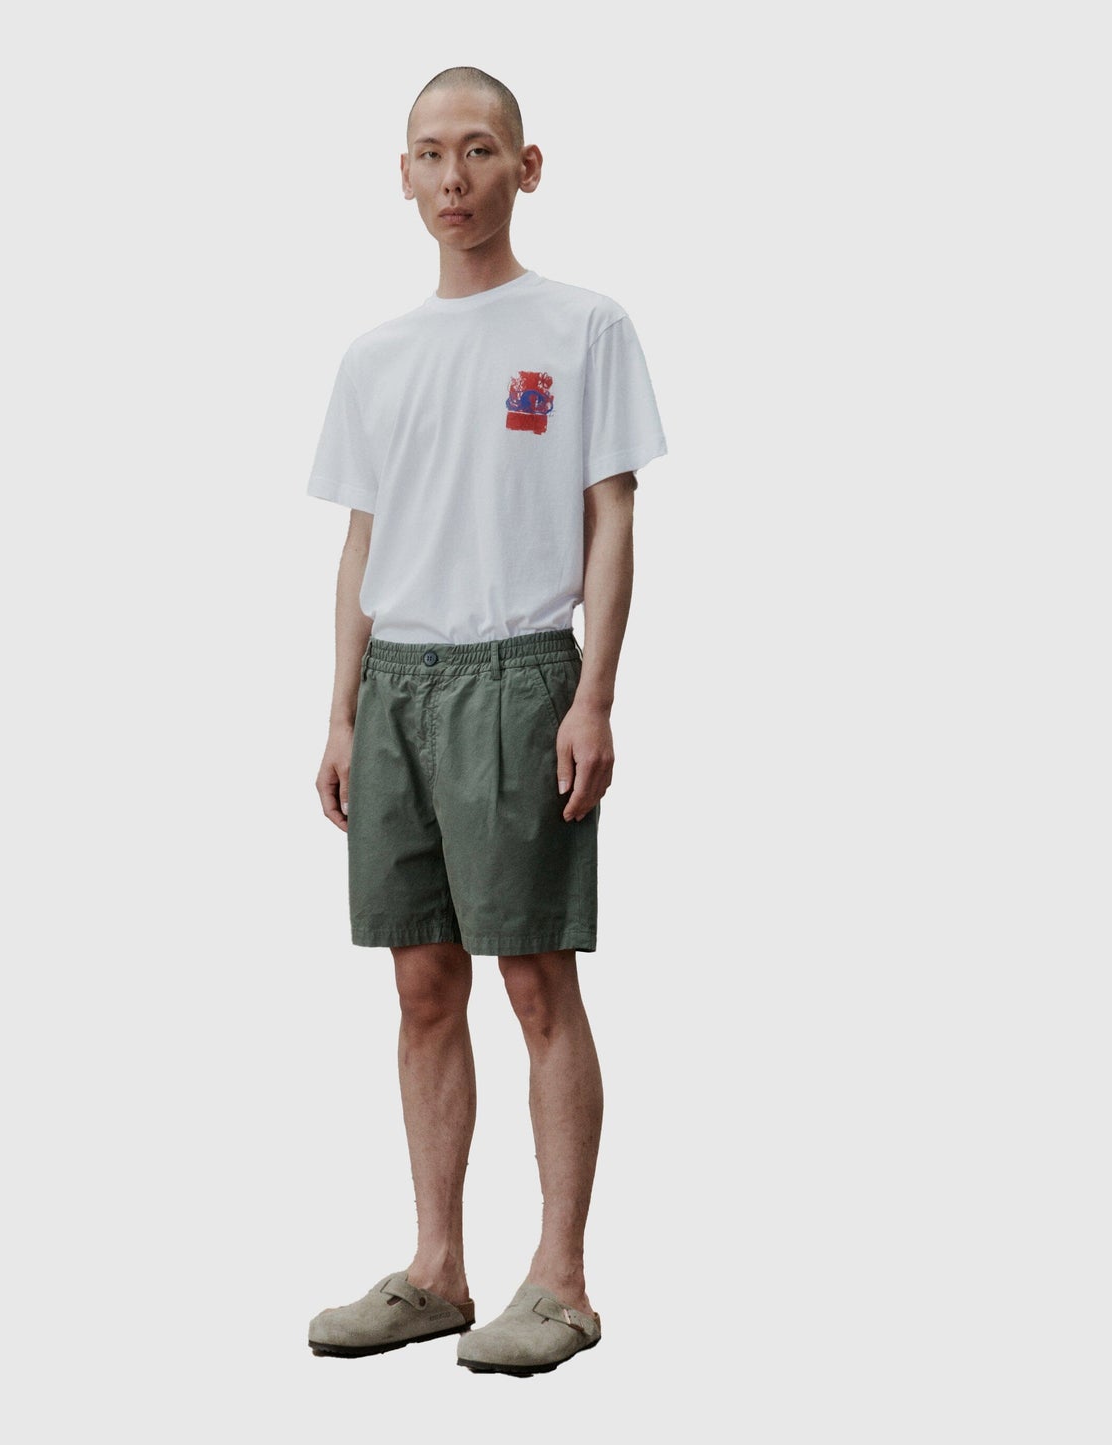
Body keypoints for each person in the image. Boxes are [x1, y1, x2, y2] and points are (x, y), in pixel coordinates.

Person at [304, 66, 666, 1377]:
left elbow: (612, 516)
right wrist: (340, 712)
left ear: (526, 164)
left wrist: (594, 693)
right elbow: (363, 541)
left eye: (477, 150)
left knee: (532, 976)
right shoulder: (376, 355)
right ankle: (436, 1272)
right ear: (401, 175)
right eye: (428, 154)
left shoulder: (582, 327)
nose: (451, 177)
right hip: (396, 681)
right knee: (419, 985)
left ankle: (561, 1282)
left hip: (518, 675)